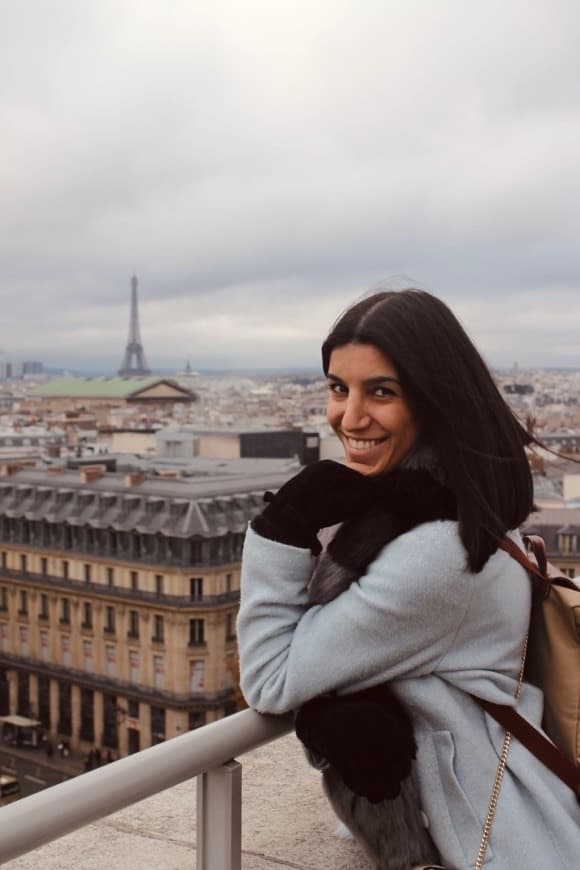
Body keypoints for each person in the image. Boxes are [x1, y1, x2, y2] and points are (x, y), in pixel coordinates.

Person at [237, 289, 580, 869]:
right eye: (337, 387)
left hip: (502, 847)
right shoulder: (452, 508)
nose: (349, 417)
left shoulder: (436, 553)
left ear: (434, 401)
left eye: (382, 392)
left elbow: (269, 680)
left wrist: (280, 527)